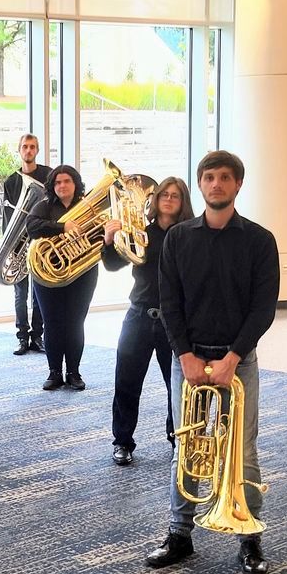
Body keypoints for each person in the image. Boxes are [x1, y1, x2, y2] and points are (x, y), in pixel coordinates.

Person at [145, 150, 279, 574]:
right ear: (200, 184)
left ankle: (249, 537)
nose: (216, 184)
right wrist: (184, 354)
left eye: (224, 177)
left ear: (238, 184)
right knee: (187, 447)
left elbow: (263, 308)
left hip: (238, 360)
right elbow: (169, 302)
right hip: (189, 358)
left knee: (244, 450)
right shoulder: (178, 238)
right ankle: (179, 534)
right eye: (208, 177)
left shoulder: (260, 240)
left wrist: (233, 357)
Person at [102, 177, 194, 466]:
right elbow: (113, 264)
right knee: (126, 381)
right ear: (155, 199)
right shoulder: (141, 231)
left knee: (177, 384)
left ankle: (177, 437)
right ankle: (122, 441)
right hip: (139, 314)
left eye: (175, 195)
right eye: (164, 194)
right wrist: (109, 240)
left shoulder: (190, 236)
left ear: (183, 201)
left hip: (175, 320)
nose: (168, 199)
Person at [26, 166, 98, 391]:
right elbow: (31, 226)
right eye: (57, 182)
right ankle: (54, 372)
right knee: (52, 323)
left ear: (75, 184)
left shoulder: (87, 206)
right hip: (48, 276)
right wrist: (62, 227)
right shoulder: (44, 206)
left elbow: (99, 231)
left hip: (82, 274)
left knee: (75, 323)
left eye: (67, 181)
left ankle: (74, 372)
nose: (62, 186)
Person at [2, 133, 51, 356]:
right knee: (20, 293)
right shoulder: (11, 181)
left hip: (40, 242)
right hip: (19, 243)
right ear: (19, 150)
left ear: (37, 150)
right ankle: (22, 337)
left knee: (39, 292)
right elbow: (8, 215)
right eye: (25, 147)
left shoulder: (48, 175)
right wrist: (9, 245)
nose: (28, 150)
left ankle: (37, 336)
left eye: (32, 147)